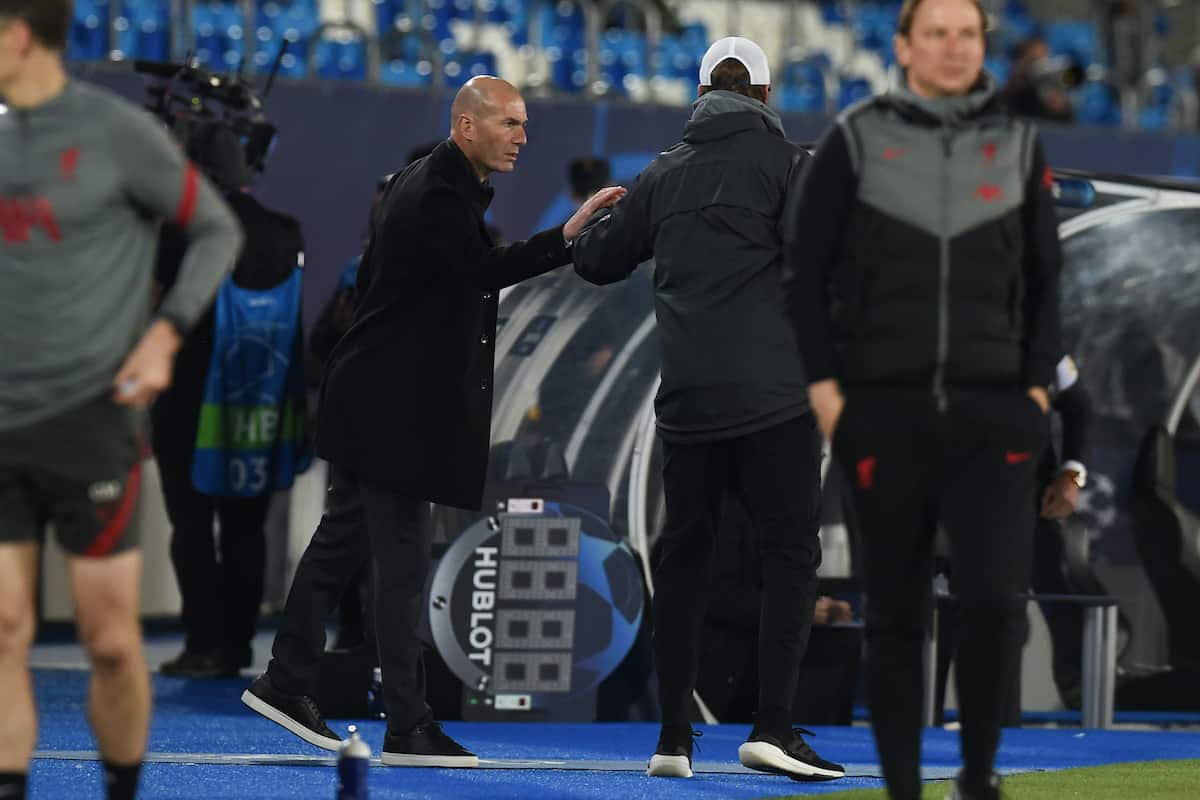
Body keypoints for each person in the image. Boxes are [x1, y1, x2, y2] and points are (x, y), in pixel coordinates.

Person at [241, 76, 623, 766]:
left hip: (378, 401)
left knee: (346, 548)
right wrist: (566, 238)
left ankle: (288, 680)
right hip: (390, 410)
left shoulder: (438, 183)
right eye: (509, 123)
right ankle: (404, 725)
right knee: (401, 568)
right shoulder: (437, 193)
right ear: (466, 126)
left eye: (525, 124)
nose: (523, 137)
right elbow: (483, 270)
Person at [782, 0, 1063, 797]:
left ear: (983, 47)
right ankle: (903, 787)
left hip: (997, 415)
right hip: (882, 414)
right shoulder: (856, 139)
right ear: (904, 47)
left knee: (992, 606)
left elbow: (1048, 281)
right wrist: (831, 396)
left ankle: (977, 777)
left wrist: (1037, 392)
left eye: (967, 34)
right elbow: (804, 275)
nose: (952, 47)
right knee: (898, 617)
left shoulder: (1016, 144)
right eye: (934, 33)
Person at [572, 36, 844, 782]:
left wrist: (586, 225)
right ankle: (772, 728)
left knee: (684, 563)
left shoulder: (661, 175)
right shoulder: (793, 166)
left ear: (701, 95)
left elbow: (597, 260)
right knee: (790, 555)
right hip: (775, 401)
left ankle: (671, 739)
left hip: (687, 406)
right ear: (763, 97)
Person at [0, 2, 243, 798]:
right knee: (3, 632)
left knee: (109, 640)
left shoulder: (115, 135)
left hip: (92, 422)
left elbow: (216, 229)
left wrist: (165, 333)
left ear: (18, 35)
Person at [153, 122, 306, 680]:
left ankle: (202, 644)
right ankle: (239, 645)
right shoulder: (286, 231)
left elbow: (156, 304)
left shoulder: (183, 231)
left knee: (192, 528)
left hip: (189, 406)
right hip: (259, 405)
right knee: (247, 529)